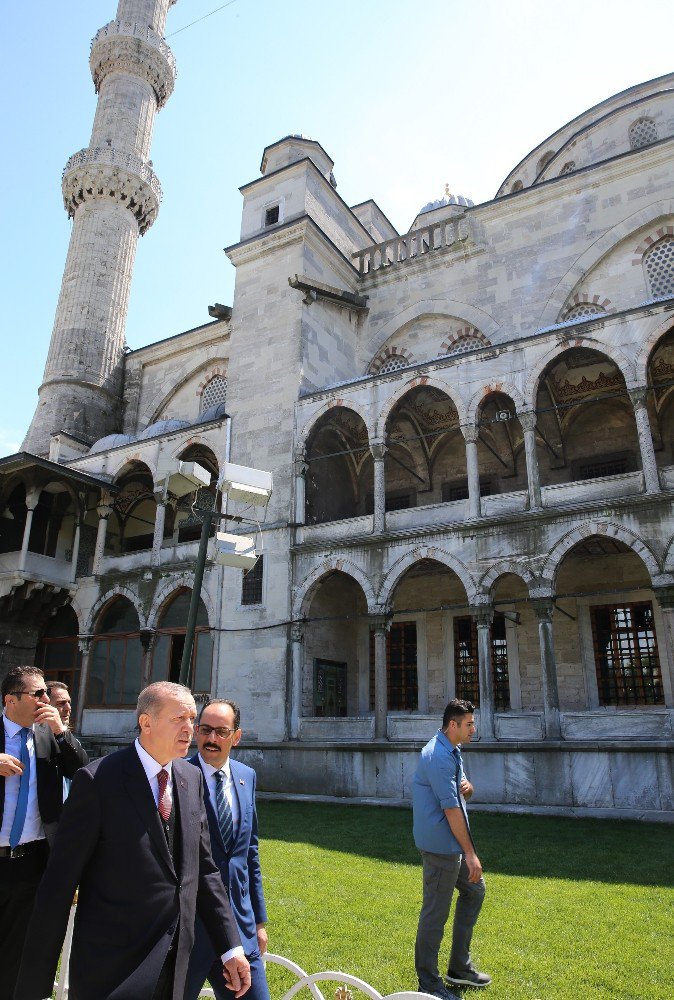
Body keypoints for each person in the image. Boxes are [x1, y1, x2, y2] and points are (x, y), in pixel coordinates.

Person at [14, 681, 251, 1000]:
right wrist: (34, 984)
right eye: (178, 718)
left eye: (191, 719)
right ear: (146, 722)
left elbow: (204, 870)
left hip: (174, 964)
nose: (189, 728)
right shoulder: (98, 782)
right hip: (113, 968)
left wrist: (230, 946)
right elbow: (58, 883)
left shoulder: (190, 778)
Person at [0, 665, 88, 1000]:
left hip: (31, 864)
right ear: (11, 700)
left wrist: (62, 732)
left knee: (18, 957)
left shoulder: (47, 735)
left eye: (45, 692)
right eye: (37, 693)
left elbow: (82, 773)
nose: (45, 699)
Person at [184, 699, 270, 1000]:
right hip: (189, 931)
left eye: (221, 731)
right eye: (206, 730)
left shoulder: (247, 777)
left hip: (239, 928)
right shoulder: (178, 776)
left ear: (236, 736)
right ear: (196, 732)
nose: (212, 739)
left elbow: (250, 853)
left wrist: (258, 920)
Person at [412, 699, 490, 1000]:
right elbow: (451, 810)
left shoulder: (451, 751)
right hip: (441, 849)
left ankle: (459, 967)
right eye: (469, 724)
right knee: (435, 913)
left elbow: (459, 789)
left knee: (475, 890)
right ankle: (428, 984)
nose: (474, 728)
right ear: (453, 725)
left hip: (450, 845)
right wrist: (471, 854)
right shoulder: (438, 756)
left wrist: (468, 787)